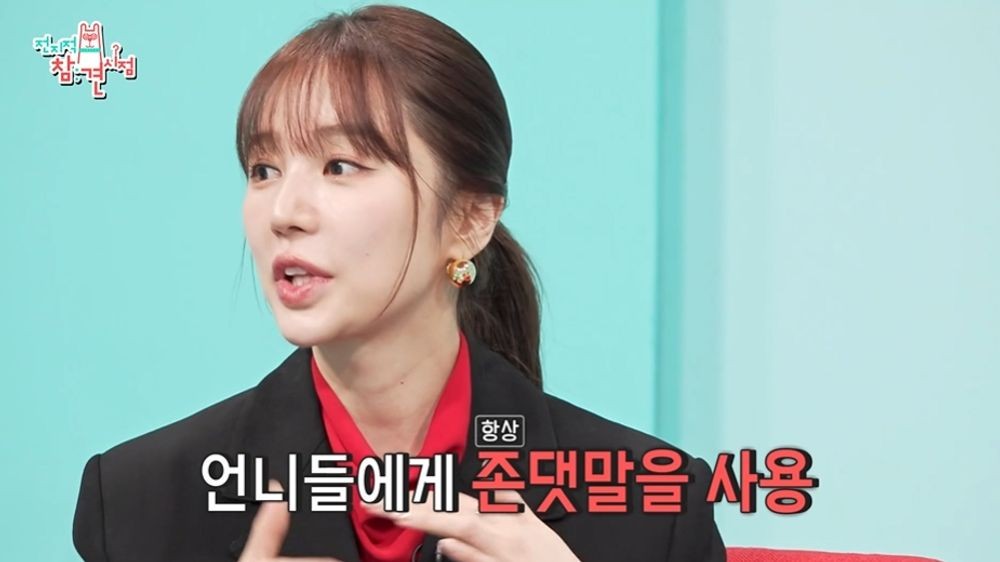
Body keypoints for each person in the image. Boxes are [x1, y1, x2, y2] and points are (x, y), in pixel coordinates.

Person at [71, 4, 726, 561]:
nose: (284, 212)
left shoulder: (651, 508)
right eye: (263, 169)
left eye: (340, 165)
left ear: (469, 220)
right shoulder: (137, 502)